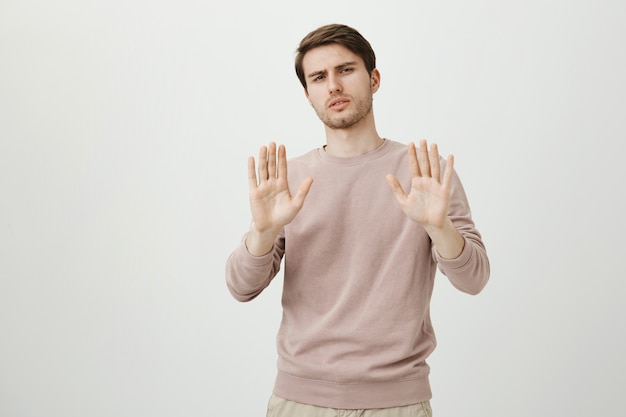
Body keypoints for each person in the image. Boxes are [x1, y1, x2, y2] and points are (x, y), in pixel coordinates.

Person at [225, 23, 490, 417]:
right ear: (308, 94)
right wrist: (263, 231)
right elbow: (240, 288)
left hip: (397, 402)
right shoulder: (288, 180)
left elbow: (474, 279)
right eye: (319, 77)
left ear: (374, 78)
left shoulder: (423, 173)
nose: (333, 85)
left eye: (345, 70)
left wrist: (439, 227)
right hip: (300, 400)